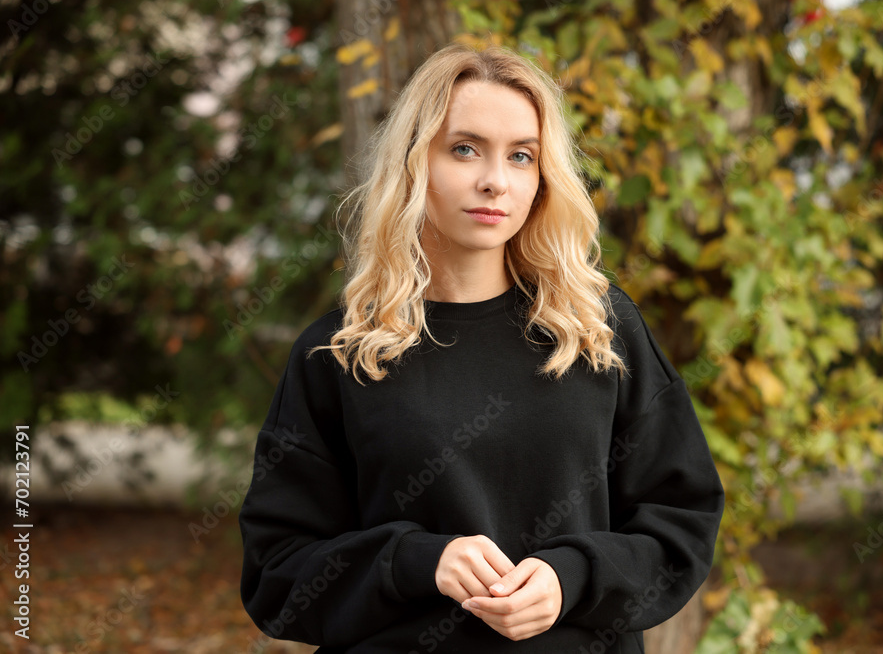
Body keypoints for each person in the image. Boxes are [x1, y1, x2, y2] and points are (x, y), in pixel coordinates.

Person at [238, 41, 725, 654]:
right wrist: (418, 562)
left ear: (543, 177)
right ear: (417, 164)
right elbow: (276, 575)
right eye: (464, 149)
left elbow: (681, 522)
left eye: (521, 156)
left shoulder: (598, 331)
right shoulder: (339, 355)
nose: (495, 181)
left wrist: (570, 577)